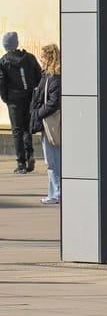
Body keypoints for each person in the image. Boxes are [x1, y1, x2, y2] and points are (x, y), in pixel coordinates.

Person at [1, 31, 43, 174]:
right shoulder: (29, 58)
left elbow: (1, 82)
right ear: (16, 43)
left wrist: (5, 98)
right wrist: (36, 94)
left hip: (14, 100)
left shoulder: (4, 61)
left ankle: (21, 163)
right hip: (29, 97)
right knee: (26, 128)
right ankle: (30, 154)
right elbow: (39, 76)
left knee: (17, 130)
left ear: (6, 46)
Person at [31, 43, 60, 204]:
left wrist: (38, 113)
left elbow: (53, 102)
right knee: (53, 159)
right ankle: (54, 192)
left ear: (49, 58)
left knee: (53, 160)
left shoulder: (54, 77)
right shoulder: (48, 75)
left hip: (50, 124)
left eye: (42, 56)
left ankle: (56, 193)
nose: (40, 59)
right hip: (47, 122)